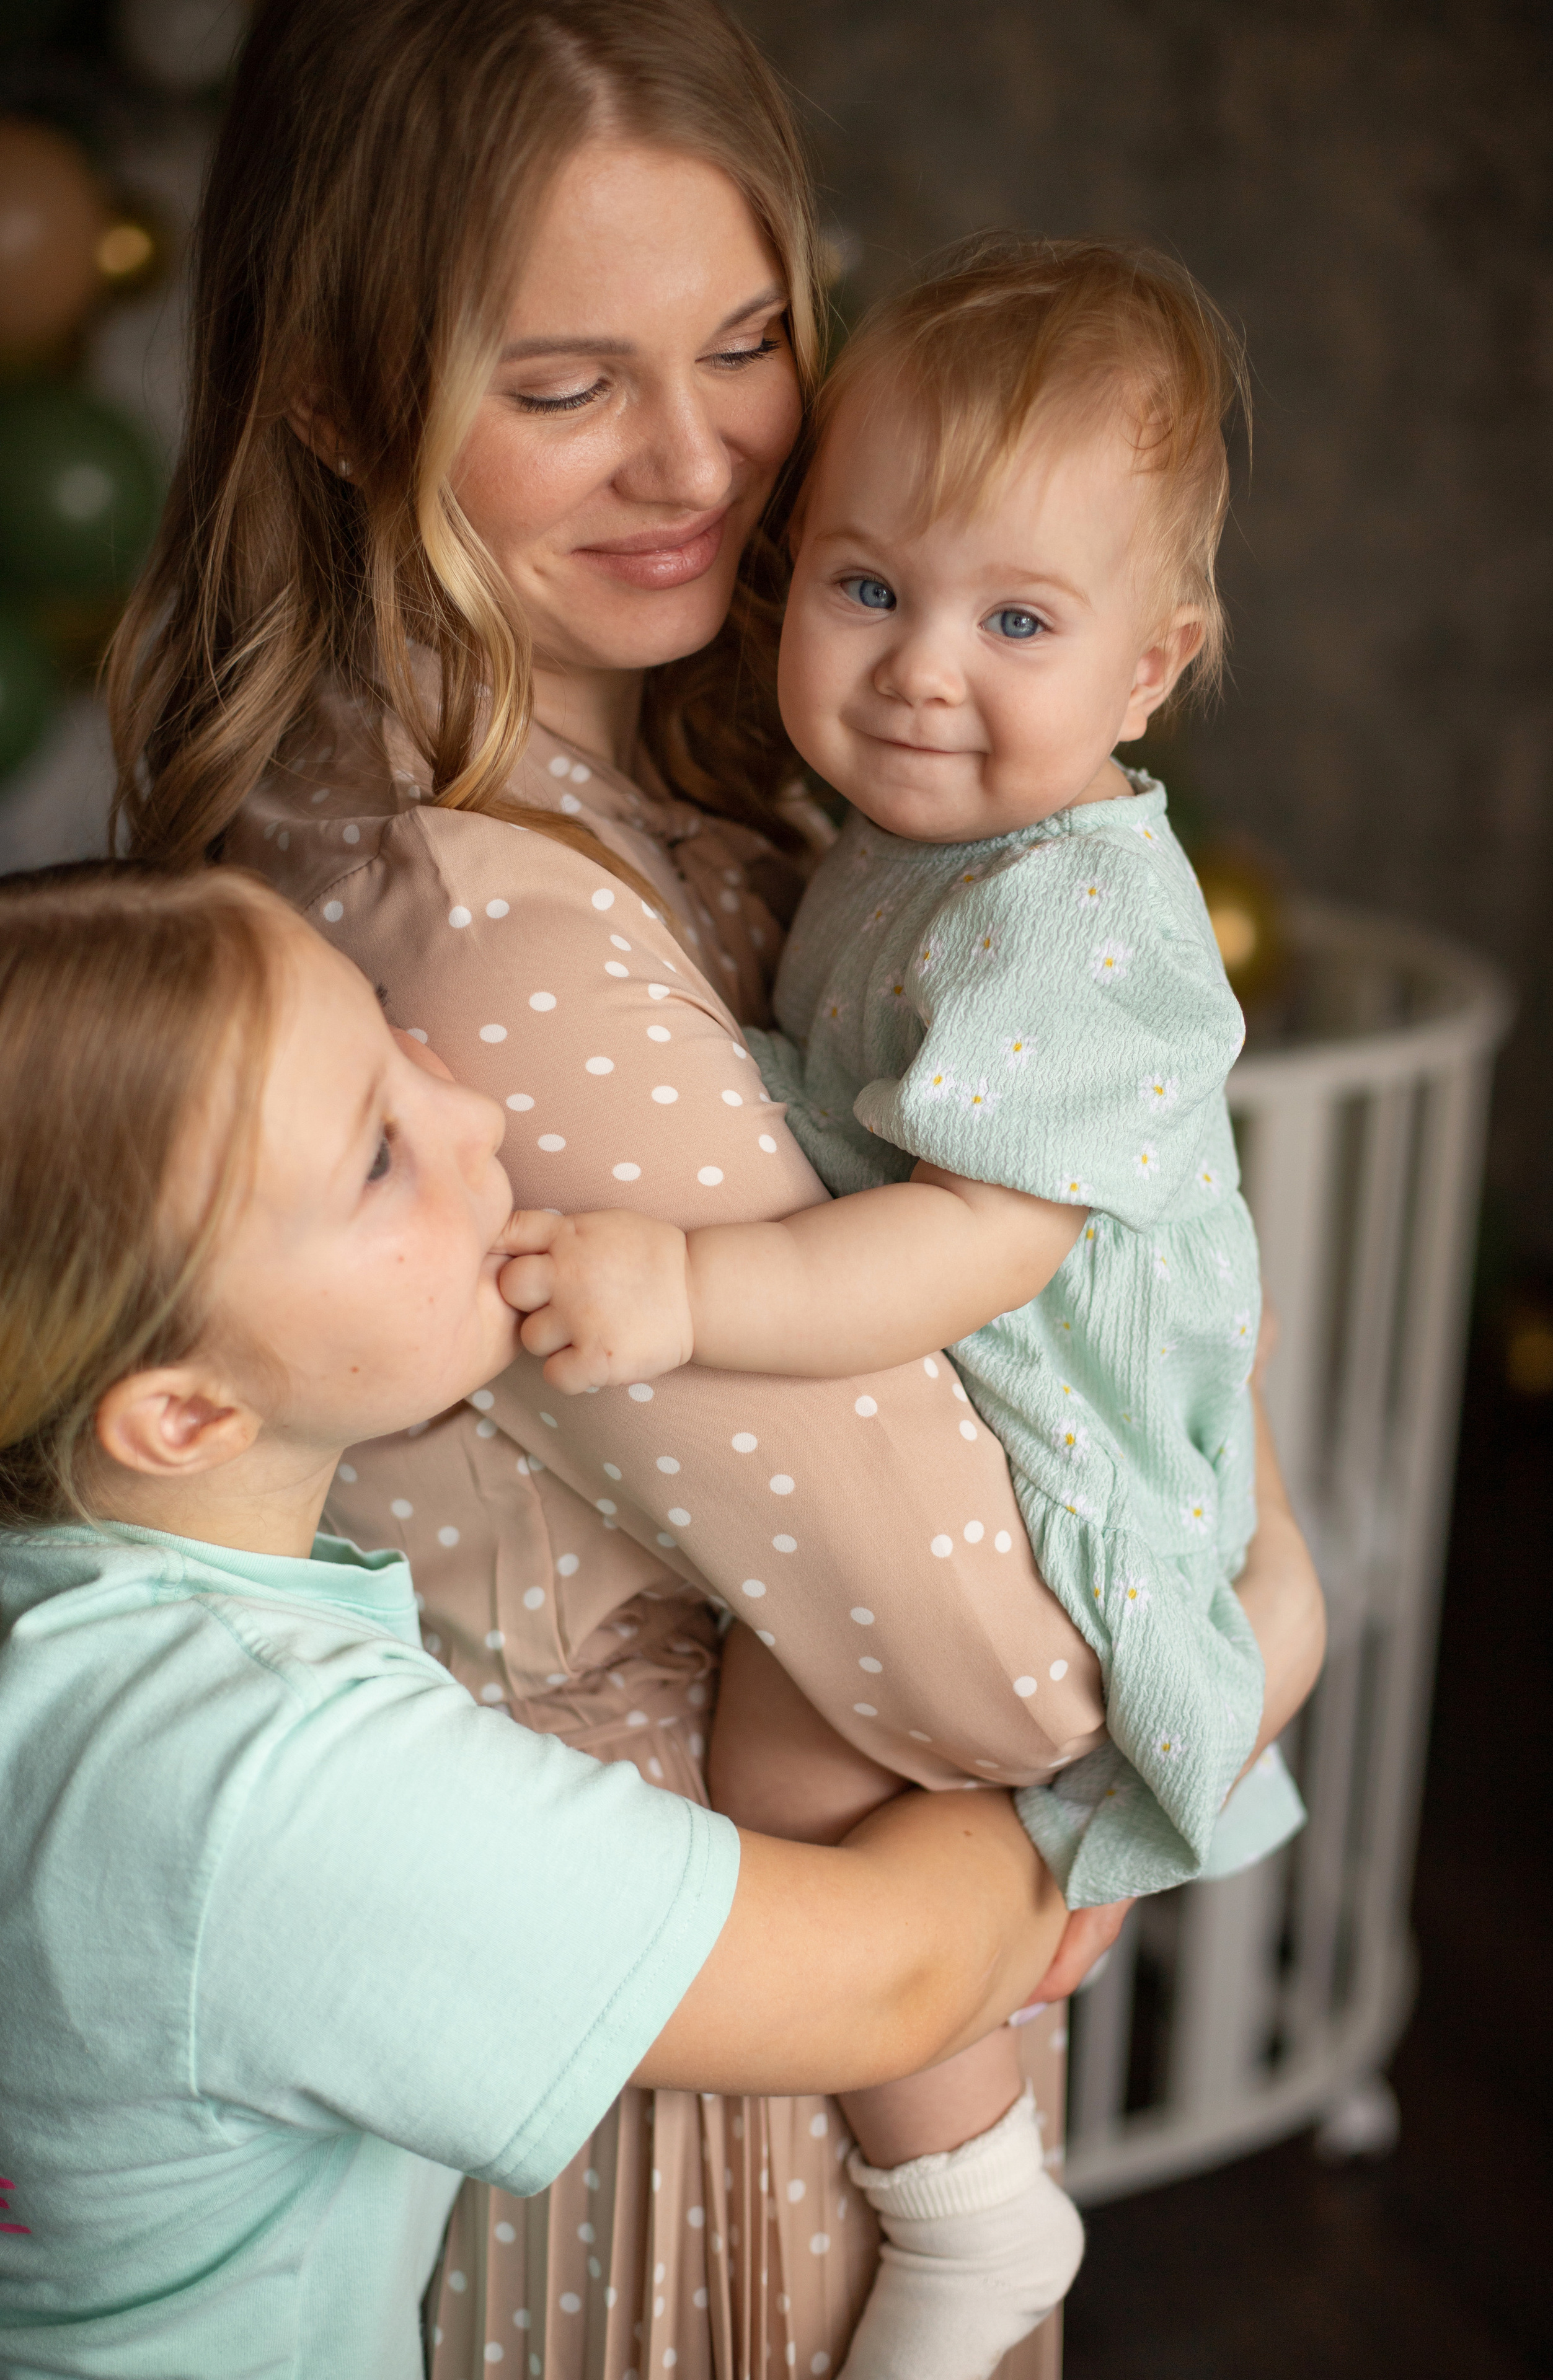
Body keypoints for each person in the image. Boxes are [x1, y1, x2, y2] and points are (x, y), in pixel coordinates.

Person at [105, 3, 1322, 2370]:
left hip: (819, 1986)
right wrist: (1268, 1615)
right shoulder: (482, 933)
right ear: (349, 398)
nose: (699, 461)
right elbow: (1003, 1654)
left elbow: (1103, 1256)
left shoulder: (754, 777)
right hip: (689, 2074)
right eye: (564, 384)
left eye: (750, 339)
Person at [504, 236, 1324, 2380]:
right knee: (828, 1770)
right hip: (1019, 1421)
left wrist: (688, 1285)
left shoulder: (1070, 920)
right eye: (867, 589)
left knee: (781, 1753)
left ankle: (962, 2202)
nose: (920, 671)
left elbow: (974, 1239)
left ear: (1155, 668)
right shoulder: (913, 836)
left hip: (1073, 1464)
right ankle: (1042, 1948)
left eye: (1019, 621)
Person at [0, 862, 1088, 2380]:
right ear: (183, 1413)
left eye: (392, 1029)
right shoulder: (260, 1785)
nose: (480, 1115)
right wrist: (1085, 1822)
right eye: (376, 1156)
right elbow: (891, 1979)